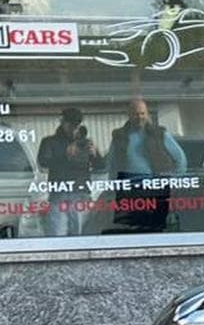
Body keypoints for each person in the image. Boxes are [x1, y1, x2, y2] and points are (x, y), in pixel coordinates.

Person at [107, 97, 185, 233]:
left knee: (156, 229)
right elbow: (111, 164)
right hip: (130, 192)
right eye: (136, 114)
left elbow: (180, 159)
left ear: (147, 114)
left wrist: (174, 183)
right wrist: (113, 188)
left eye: (142, 113)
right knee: (134, 230)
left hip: (155, 190)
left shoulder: (159, 134)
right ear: (129, 115)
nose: (139, 117)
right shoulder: (119, 136)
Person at [35, 106, 96, 237]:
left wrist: (95, 154)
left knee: (81, 235)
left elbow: (101, 166)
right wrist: (65, 154)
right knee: (57, 234)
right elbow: (43, 162)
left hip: (81, 192)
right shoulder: (50, 142)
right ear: (62, 122)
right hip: (59, 192)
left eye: (76, 125)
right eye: (70, 124)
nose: (73, 128)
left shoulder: (85, 143)